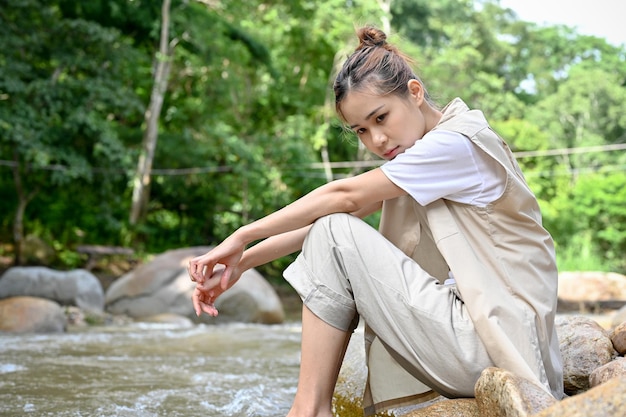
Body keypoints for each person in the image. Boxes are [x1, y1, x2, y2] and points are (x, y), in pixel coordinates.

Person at [188, 26, 564, 417]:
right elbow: (336, 217)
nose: (377, 140)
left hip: (494, 348)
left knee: (334, 231)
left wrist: (241, 234)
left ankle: (308, 410)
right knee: (332, 228)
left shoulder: (456, 143)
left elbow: (342, 198)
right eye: (362, 131)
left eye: (381, 117)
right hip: (480, 343)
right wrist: (243, 262)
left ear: (415, 93)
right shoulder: (422, 156)